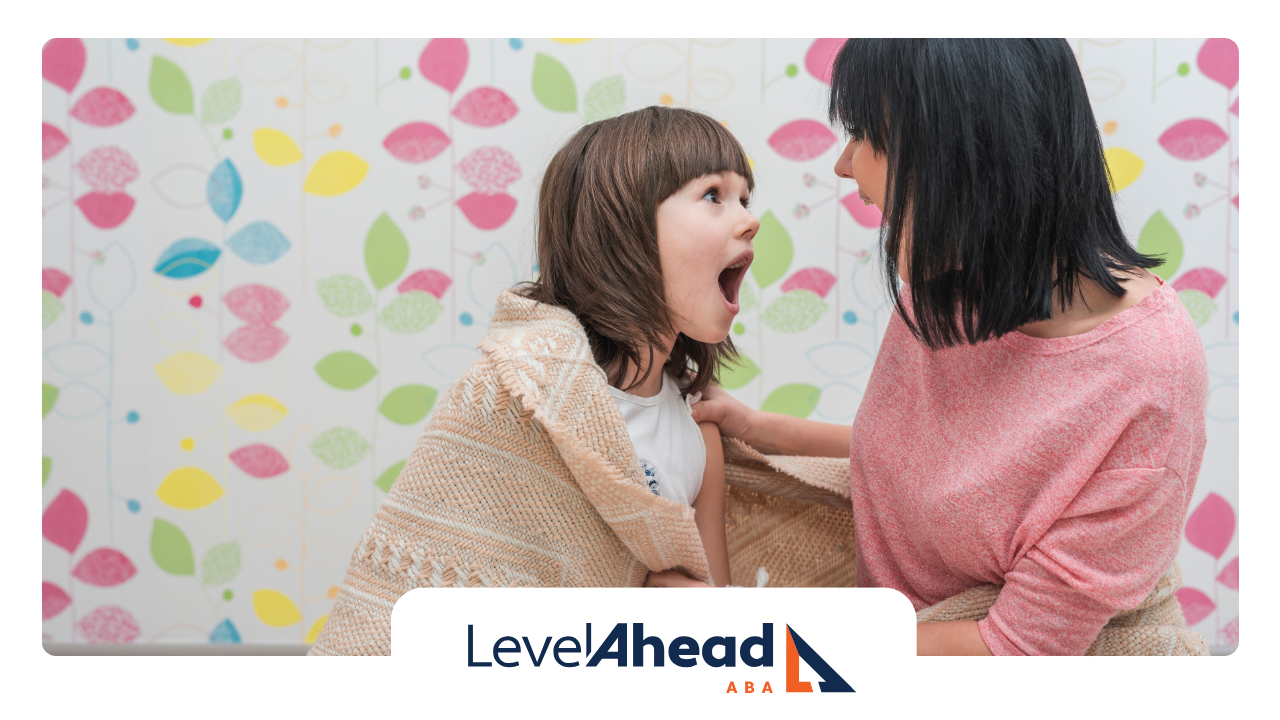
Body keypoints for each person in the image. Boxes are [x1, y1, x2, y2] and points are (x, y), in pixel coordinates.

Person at [691, 39, 1210, 655]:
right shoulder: (947, 293)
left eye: (863, 132)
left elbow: (1015, 650)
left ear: (962, 147)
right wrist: (760, 428)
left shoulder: (1149, 380)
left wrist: (768, 652)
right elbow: (936, 468)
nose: (844, 164)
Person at [309, 107, 861, 655]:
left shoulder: (698, 434)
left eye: (746, 197)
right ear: (624, 231)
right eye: (713, 195)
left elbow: (714, 627)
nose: (748, 218)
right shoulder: (515, 396)